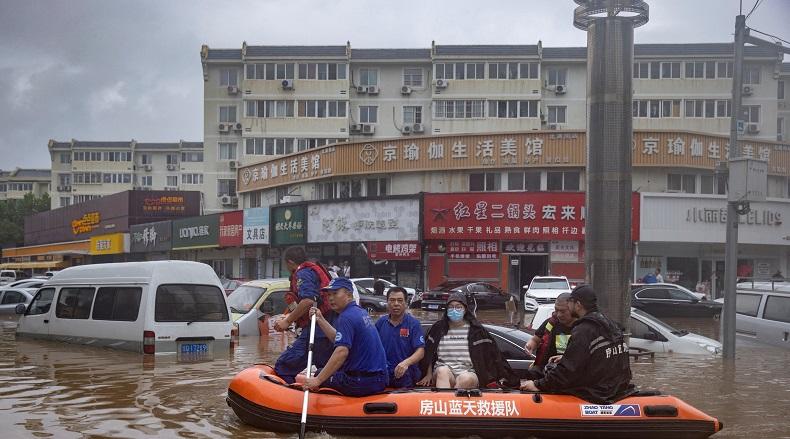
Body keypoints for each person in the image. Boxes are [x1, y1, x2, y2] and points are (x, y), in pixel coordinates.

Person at [520, 285, 634, 404]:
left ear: (578, 305)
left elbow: (566, 372)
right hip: (615, 389)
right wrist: (566, 358)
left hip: (596, 393)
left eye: (570, 303)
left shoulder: (583, 330)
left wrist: (537, 385)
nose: (568, 307)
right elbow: (600, 358)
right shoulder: (608, 324)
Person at [304, 277, 388, 397]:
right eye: (329, 295)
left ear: (349, 295)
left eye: (335, 293)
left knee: (319, 374)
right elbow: (338, 340)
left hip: (362, 382)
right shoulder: (359, 311)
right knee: (323, 372)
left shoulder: (346, 317)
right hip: (379, 378)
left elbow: (341, 352)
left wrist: (317, 380)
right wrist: (320, 319)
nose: (331, 298)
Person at [417, 293, 517, 389]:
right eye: (451, 307)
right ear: (446, 309)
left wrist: (507, 379)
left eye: (458, 307)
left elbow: (494, 356)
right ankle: (444, 403)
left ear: (465, 310)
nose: (454, 310)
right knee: (442, 371)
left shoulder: (477, 331)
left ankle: (454, 403)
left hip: (469, 372)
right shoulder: (438, 329)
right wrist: (428, 374)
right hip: (443, 371)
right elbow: (429, 353)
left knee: (467, 379)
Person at [274, 246, 334, 384]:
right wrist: (289, 316)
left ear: (289, 262)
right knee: (323, 367)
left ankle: (287, 401)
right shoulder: (310, 270)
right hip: (325, 327)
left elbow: (308, 300)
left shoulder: (303, 273)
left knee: (284, 366)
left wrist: (287, 321)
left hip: (317, 328)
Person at [375, 287, 425, 388]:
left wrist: (406, 363)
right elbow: (373, 347)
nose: (396, 304)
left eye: (400, 300)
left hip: (406, 375)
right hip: (383, 373)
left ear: (406, 303)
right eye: (392, 300)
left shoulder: (413, 324)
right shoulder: (380, 323)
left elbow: (420, 352)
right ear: (387, 302)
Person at [524, 293, 575, 376]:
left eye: (562, 311)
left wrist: (566, 359)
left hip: (566, 375)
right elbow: (535, 339)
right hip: (544, 370)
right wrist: (530, 345)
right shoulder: (551, 323)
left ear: (574, 309)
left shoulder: (582, 329)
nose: (558, 314)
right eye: (556, 310)